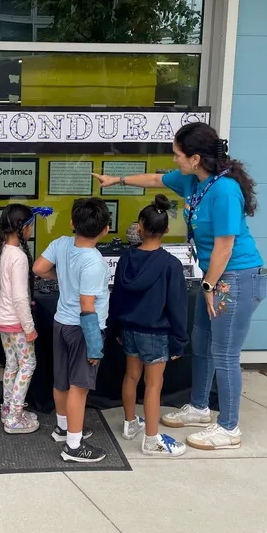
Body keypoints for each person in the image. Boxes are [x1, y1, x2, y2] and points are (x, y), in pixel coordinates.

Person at [93, 122, 267, 450]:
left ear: (195, 158)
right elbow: (155, 179)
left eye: (177, 154)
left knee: (225, 353)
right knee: (201, 344)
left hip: (236, 278)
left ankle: (229, 427)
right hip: (213, 277)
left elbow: (225, 246)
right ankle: (199, 407)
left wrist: (208, 285)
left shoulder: (225, 190)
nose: (174, 160)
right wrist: (116, 180)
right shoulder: (192, 181)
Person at [109, 194, 188, 457]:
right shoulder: (171, 264)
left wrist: (115, 327)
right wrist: (179, 339)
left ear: (139, 227)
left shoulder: (125, 259)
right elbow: (177, 305)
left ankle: (130, 423)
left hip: (128, 328)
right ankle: (152, 439)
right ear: (167, 229)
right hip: (155, 333)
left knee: (131, 376)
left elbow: (117, 297)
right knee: (153, 385)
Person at [33, 198, 111, 463]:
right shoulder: (95, 262)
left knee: (62, 381)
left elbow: (39, 268)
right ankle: (74, 447)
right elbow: (87, 306)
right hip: (83, 330)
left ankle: (63, 428)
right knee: (79, 387)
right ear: (105, 229)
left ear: (72, 223)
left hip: (61, 323)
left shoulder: (61, 243)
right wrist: (95, 346)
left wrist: (61, 277)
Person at [0, 204, 39, 434]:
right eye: (31, 225)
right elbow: (20, 298)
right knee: (27, 364)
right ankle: (14, 417)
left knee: (11, 364)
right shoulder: (18, 257)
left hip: (2, 319)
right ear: (24, 227)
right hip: (17, 323)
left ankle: (7, 409)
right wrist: (29, 327)